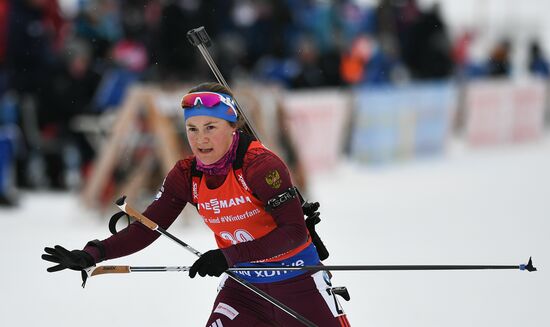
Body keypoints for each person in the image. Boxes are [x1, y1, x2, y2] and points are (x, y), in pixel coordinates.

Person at [42, 82, 351, 326]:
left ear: (232, 127)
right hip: (245, 291)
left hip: (297, 283)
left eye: (211, 127)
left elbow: (295, 232)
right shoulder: (186, 174)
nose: (200, 139)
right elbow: (148, 229)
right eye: (192, 128)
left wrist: (229, 256)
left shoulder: (261, 166)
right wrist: (94, 252)